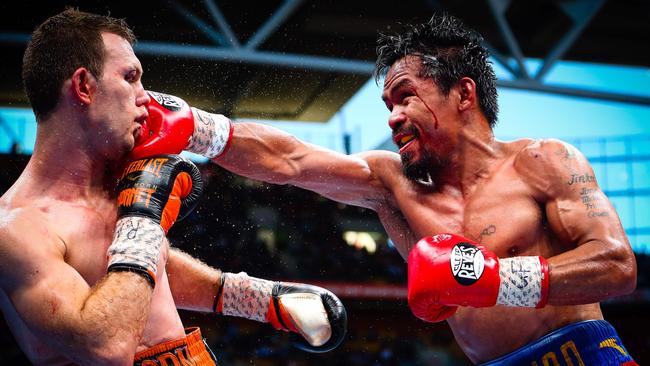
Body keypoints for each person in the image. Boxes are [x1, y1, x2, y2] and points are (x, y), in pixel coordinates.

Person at [133, 13, 640, 365]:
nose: (393, 118)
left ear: (464, 93)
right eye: (386, 106)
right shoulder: (393, 183)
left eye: (405, 98)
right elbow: (291, 160)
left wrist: (494, 281)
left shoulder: (544, 161)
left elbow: (617, 267)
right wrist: (197, 126)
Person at [0, 8, 346, 365]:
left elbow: (134, 273)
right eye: (130, 77)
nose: (146, 98)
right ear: (84, 86)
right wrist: (143, 218)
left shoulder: (112, 189)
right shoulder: (16, 228)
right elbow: (107, 346)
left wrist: (257, 298)